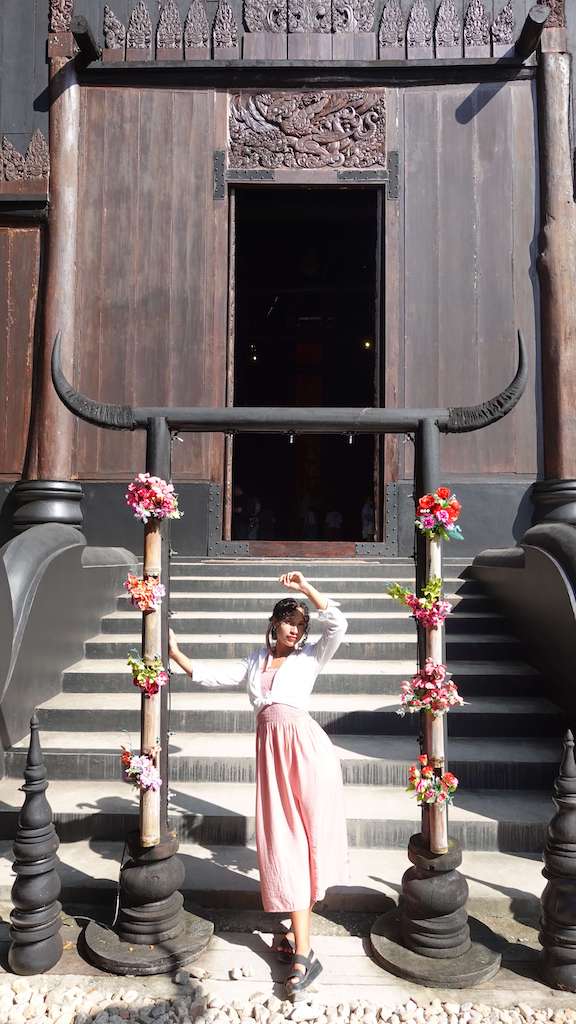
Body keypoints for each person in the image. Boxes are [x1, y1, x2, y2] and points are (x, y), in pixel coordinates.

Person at [168, 570, 348, 1000]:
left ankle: (302, 943)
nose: (296, 629)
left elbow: (339, 625)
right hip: (272, 753)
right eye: (290, 621)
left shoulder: (311, 658)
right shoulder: (255, 661)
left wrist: (307, 590)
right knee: (284, 840)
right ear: (275, 623)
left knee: (306, 837)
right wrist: (175, 654)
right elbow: (213, 675)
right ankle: (298, 934)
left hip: (305, 750)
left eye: (302, 625)